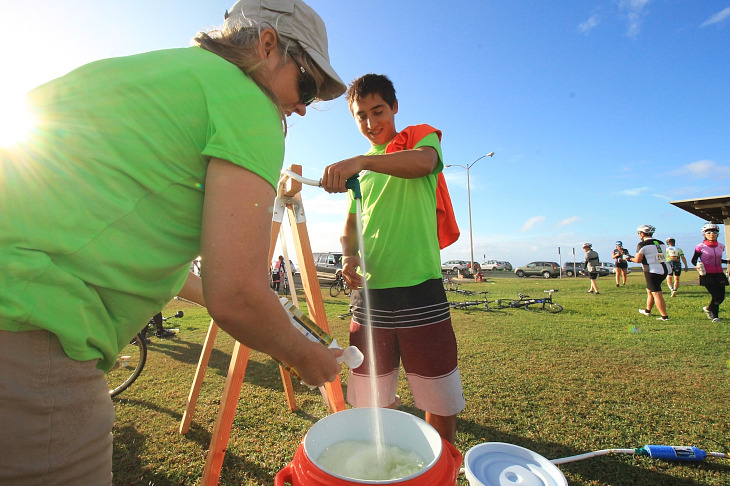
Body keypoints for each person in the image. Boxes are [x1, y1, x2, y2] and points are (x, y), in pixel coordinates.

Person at [0, 1, 346, 483]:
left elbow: (138, 248)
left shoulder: (160, 72)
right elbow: (238, 297)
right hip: (31, 328)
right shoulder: (249, 104)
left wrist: (277, 316)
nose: (303, 107)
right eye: (306, 84)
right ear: (269, 45)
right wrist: (303, 355)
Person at [320, 74, 465, 444]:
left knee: (440, 399)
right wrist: (349, 256)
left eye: (378, 111)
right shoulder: (362, 174)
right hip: (370, 298)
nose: (370, 123)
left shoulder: (418, 136)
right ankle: (387, 466)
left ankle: (442, 468)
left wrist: (362, 161)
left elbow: (423, 163)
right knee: (372, 400)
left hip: (421, 290)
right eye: (361, 116)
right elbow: (352, 222)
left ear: (394, 107)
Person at [629, 224, 670, 321]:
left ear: (642, 234)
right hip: (664, 269)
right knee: (650, 290)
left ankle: (664, 316)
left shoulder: (642, 244)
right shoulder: (660, 243)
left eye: (639, 233)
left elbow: (638, 260)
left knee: (657, 293)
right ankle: (647, 310)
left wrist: (629, 259)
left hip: (651, 271)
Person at [690, 223, 728, 323]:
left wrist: (727, 262)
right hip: (707, 274)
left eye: (714, 232)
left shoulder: (721, 246)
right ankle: (715, 316)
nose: (712, 234)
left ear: (717, 234)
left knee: (722, 297)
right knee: (716, 295)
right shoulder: (700, 246)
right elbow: (693, 260)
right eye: (709, 232)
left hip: (719, 273)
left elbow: (719, 259)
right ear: (704, 234)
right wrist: (698, 265)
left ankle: (708, 308)